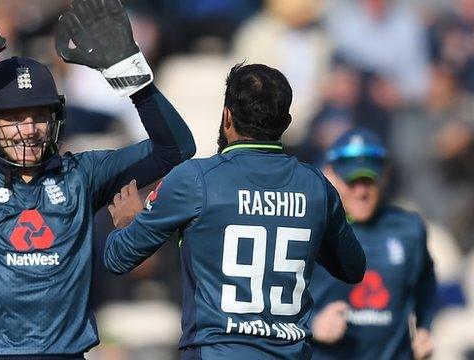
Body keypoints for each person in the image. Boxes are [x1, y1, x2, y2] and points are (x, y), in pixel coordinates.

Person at [0, 1, 195, 358]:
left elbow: (175, 148)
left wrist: (132, 76)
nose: (28, 130)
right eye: (13, 117)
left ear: (56, 120)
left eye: (38, 116)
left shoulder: (83, 176)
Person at [103, 63, 366, 359]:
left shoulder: (194, 179)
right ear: (287, 121)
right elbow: (353, 268)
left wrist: (127, 222)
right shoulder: (316, 186)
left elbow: (117, 258)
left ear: (227, 115)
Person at [309, 128, 436, 360]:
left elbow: (426, 282)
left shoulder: (409, 228)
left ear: (385, 174)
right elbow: (270, 299)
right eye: (352, 181)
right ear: (330, 174)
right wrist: (312, 324)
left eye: (368, 181)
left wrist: (424, 328)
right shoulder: (311, 229)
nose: (361, 192)